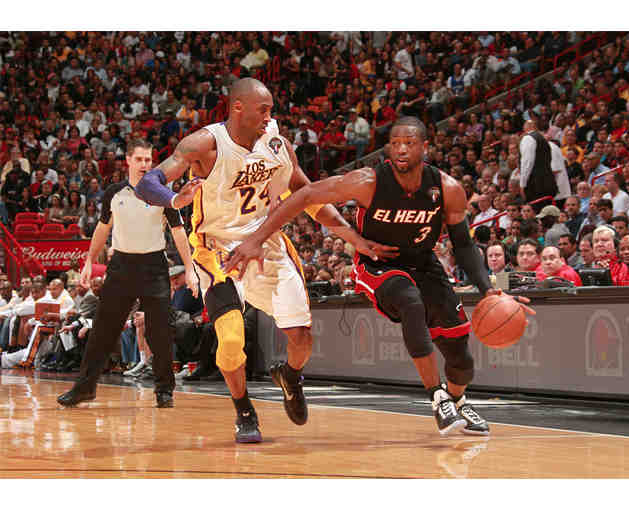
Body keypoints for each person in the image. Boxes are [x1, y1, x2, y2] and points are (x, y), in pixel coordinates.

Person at [226, 116, 535, 436]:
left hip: (424, 264)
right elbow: (305, 196)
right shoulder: (367, 181)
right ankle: (437, 396)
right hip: (377, 264)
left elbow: (463, 244)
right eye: (395, 143)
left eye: (409, 144)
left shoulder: (447, 188)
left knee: (462, 361)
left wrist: (488, 289)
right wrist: (257, 239)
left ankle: (457, 400)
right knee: (410, 301)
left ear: (425, 147)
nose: (401, 149)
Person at [133, 78, 390, 443]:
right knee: (230, 341)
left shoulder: (277, 145)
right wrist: (175, 200)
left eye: (271, 110)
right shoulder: (205, 144)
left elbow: (309, 197)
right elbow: (148, 183)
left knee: (301, 338)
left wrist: (354, 238)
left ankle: (290, 375)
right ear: (238, 108)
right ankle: (244, 409)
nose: (270, 117)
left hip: (266, 245)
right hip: (217, 249)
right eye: (263, 110)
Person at [56, 139, 201, 410]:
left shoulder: (163, 193)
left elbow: (179, 232)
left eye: (148, 160)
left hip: (154, 266)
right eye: (140, 159)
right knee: (102, 331)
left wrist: (190, 269)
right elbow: (102, 228)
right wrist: (89, 261)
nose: (145, 164)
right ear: (128, 161)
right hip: (121, 266)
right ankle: (84, 388)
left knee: (159, 332)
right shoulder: (114, 192)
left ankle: (164, 391)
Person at [519, 120, 558, 212]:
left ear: (526, 126)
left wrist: (522, 184)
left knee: (536, 212)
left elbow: (527, 163)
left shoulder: (528, 138)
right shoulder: (543, 140)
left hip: (535, 185)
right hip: (548, 182)